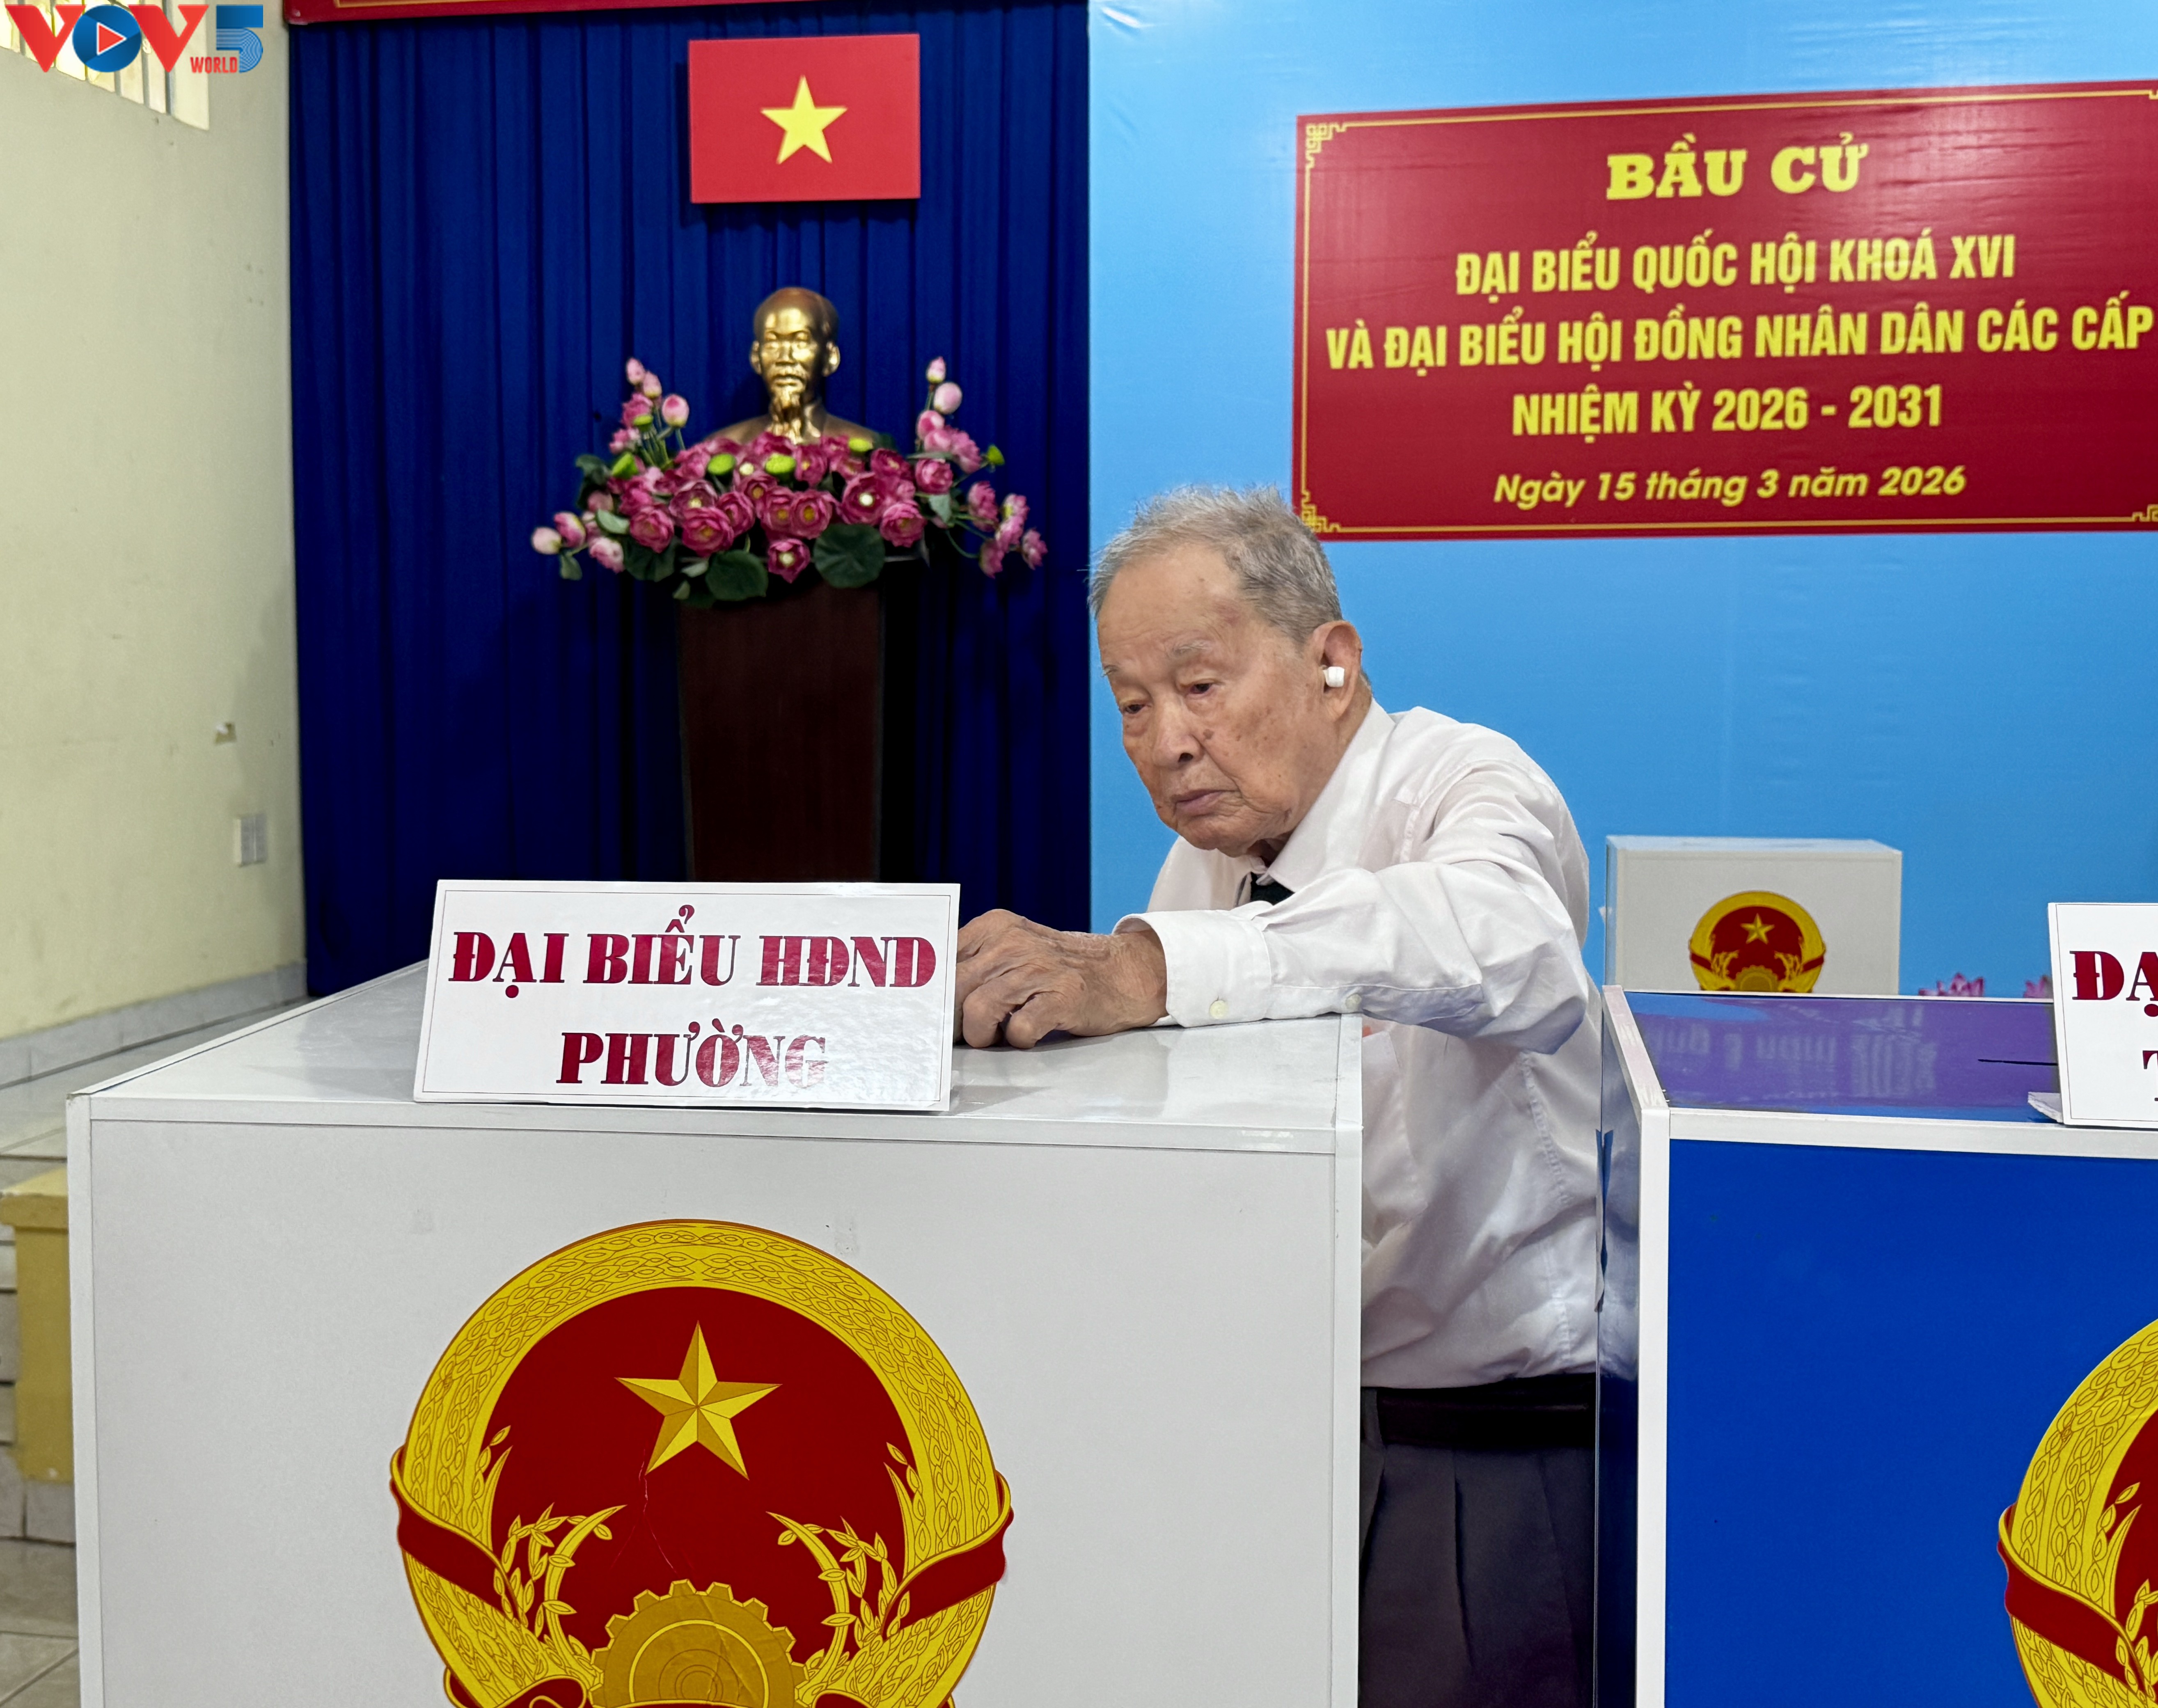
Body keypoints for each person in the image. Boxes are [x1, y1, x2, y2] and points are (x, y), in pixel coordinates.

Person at [954, 486, 1600, 1708]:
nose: (1165, 742)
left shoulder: (1460, 782)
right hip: (1267, 1432)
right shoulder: (1204, 861)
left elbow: (1514, 948)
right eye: (1130, 704)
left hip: (1477, 1444)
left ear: (1330, 665)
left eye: (1199, 686)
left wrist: (1154, 970)